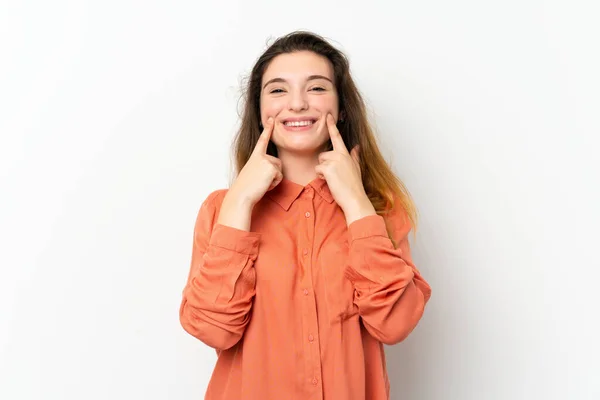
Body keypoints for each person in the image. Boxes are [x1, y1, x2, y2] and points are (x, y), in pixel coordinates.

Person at [179, 30, 432, 400]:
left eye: (316, 88)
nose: (297, 104)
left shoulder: (378, 208)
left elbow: (394, 323)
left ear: (341, 106)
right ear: (260, 109)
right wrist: (239, 204)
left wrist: (356, 203)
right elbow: (212, 329)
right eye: (278, 90)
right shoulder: (222, 210)